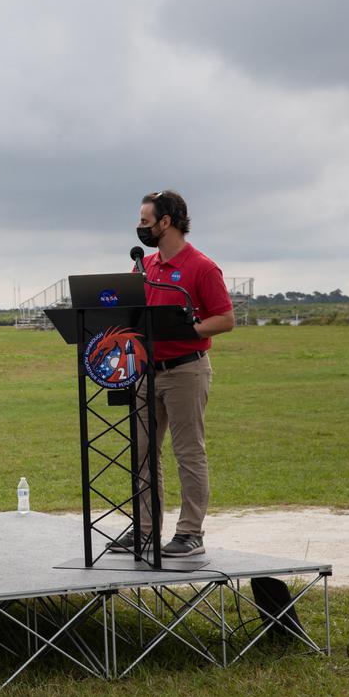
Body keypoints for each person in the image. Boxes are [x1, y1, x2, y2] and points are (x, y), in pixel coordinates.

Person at [109, 190, 234, 558]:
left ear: (167, 222)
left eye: (145, 222)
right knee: (143, 453)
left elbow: (225, 319)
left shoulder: (202, 267)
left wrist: (188, 331)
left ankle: (190, 532)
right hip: (146, 372)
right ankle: (145, 530)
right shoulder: (143, 267)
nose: (140, 228)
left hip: (186, 372)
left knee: (188, 452)